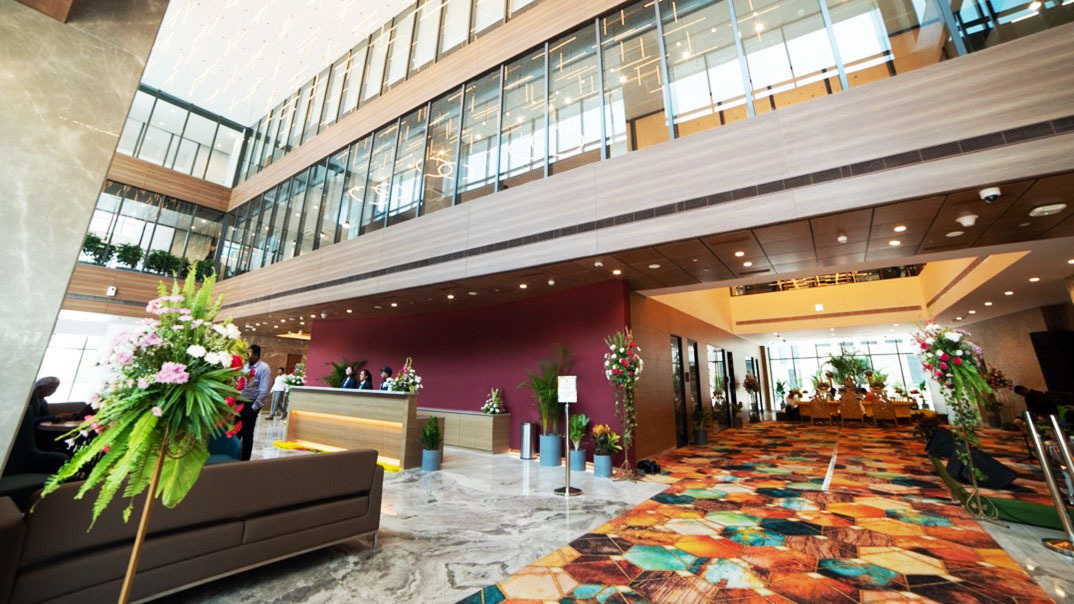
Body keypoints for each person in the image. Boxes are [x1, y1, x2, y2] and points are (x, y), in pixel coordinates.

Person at [4, 378, 70, 477]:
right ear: (40, 387)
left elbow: (45, 417)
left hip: (40, 432)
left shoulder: (43, 401)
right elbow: (28, 421)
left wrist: (58, 417)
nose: (54, 391)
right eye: (52, 388)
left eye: (55, 388)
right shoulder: (27, 401)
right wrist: (54, 417)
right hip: (29, 435)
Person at [239, 345, 271, 461]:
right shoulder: (244, 366)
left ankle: (244, 460)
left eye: (249, 354)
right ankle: (235, 457)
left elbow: (264, 390)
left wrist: (254, 407)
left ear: (256, 355)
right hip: (239, 402)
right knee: (237, 432)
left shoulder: (264, 368)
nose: (246, 356)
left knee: (247, 434)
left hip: (251, 403)